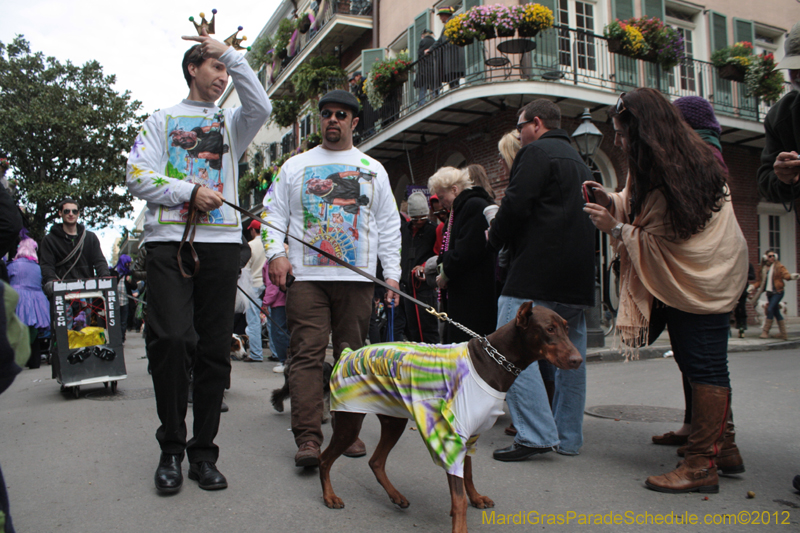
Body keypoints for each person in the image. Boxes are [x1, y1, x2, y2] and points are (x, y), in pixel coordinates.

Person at [126, 27, 271, 493]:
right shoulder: (161, 119)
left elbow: (262, 107)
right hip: (170, 242)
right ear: (192, 68)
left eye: (226, 69)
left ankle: (203, 453)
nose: (222, 75)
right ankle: (170, 446)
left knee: (213, 350)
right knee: (169, 339)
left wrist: (228, 52)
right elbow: (137, 177)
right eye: (214, 66)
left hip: (223, 245)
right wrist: (189, 191)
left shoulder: (231, 123)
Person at [584, 88, 748, 494]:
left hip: (703, 277)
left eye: (623, 134)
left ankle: (700, 465)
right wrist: (614, 201)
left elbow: (668, 235)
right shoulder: (661, 162)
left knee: (706, 365)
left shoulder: (692, 168)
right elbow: (643, 208)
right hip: (682, 279)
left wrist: (616, 228)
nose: (618, 141)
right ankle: (721, 447)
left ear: (646, 131)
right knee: (695, 361)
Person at [263, 89, 401, 468]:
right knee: (306, 355)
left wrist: (392, 275)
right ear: (320, 120)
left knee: (349, 358)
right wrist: (276, 254)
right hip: (306, 277)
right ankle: (308, 438)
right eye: (326, 113)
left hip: (357, 279)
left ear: (354, 122)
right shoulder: (294, 167)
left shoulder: (373, 169)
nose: (333, 119)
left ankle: (347, 434)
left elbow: (389, 225)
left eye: (341, 114)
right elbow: (272, 215)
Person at [487, 100, 595, 462]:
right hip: (577, 278)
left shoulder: (535, 153)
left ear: (535, 123)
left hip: (537, 273)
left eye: (520, 128)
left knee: (508, 345)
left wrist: (492, 238)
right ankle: (568, 438)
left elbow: (515, 206)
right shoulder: (580, 161)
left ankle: (535, 435)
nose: (519, 135)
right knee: (572, 357)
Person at [428, 167, 496, 344]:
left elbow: (468, 250)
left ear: (455, 190)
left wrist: (446, 271)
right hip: (466, 293)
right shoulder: (461, 209)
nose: (441, 203)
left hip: (474, 296)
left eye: (442, 197)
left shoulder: (472, 206)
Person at [758, 21, 800, 204]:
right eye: (793, 69)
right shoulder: (781, 116)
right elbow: (766, 182)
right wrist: (784, 178)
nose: (797, 76)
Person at [39, 198, 110, 292]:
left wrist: (105, 279)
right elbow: (47, 265)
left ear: (78, 213)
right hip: (62, 292)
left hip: (88, 290)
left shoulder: (90, 237)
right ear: (60, 213)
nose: (71, 214)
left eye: (74, 211)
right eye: (67, 211)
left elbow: (99, 261)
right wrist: (51, 281)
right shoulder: (49, 240)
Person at [400, 192, 440, 343]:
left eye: (422, 218)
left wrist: (424, 267)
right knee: (411, 328)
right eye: (414, 218)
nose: (418, 222)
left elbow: (438, 254)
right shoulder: (404, 230)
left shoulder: (433, 230)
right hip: (407, 286)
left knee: (428, 327)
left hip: (424, 287)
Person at [7, 231, 50, 369]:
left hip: (19, 299)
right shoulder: (37, 267)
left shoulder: (13, 265)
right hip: (37, 300)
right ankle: (34, 361)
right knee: (34, 331)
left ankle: (17, 361)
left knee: (17, 329)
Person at [750, 250, 799, 340]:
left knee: (770, 308)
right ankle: (783, 334)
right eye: (770, 256)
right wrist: (753, 287)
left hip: (778, 292)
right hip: (769, 293)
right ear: (765, 258)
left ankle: (765, 331)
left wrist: (791, 276)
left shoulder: (779, 266)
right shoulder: (763, 269)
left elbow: (785, 275)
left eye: (773, 256)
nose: (772, 257)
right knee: (776, 312)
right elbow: (760, 282)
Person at [242, 220, 266, 362]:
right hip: (270, 285)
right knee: (272, 320)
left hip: (254, 285)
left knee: (253, 320)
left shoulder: (250, 246)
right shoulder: (269, 245)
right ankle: (276, 352)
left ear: (253, 230)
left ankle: (256, 354)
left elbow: (245, 268)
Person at [426, 7, 465, 90]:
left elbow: (441, 40)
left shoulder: (453, 21)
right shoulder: (447, 24)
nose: (440, 18)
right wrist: (431, 49)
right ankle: (454, 89)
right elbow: (440, 40)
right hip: (450, 56)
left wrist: (430, 49)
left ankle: (455, 89)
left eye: (440, 16)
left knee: (454, 77)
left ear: (444, 15)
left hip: (453, 55)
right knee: (452, 78)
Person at [110, 254, 132, 343]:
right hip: (115, 301)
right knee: (116, 321)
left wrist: (130, 281)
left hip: (125, 301)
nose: (129, 265)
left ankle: (122, 338)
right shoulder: (113, 272)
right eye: (127, 263)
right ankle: (116, 338)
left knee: (123, 322)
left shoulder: (129, 273)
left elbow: (133, 286)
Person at [415, 29, 436, 105]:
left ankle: (421, 103)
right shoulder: (434, 42)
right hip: (433, 68)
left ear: (423, 35)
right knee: (434, 85)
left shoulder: (423, 41)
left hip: (424, 68)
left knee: (423, 87)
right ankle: (435, 98)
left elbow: (420, 55)